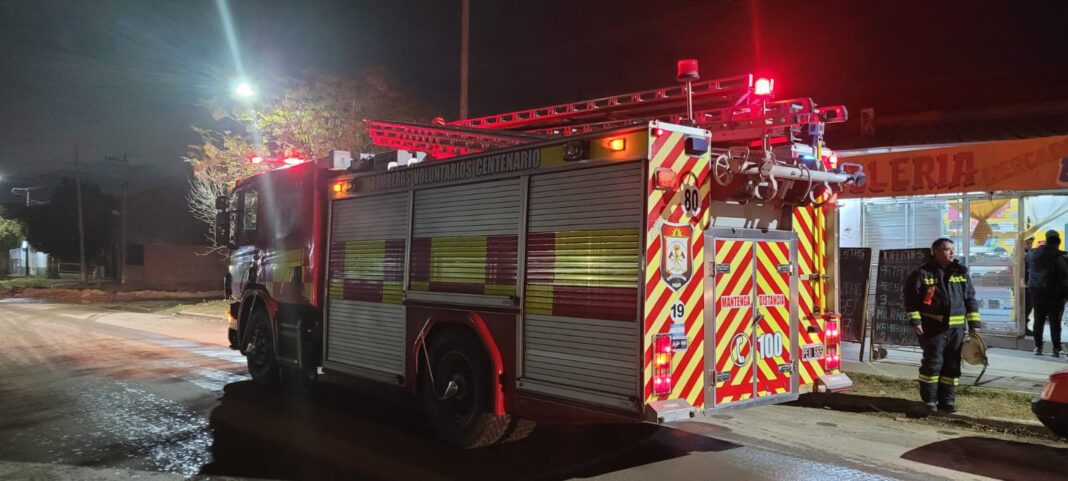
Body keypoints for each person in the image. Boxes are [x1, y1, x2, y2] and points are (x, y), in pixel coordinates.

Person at [904, 238, 981, 414]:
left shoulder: (961, 272)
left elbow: (970, 299)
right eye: (947, 249)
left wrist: (974, 324)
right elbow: (911, 300)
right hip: (933, 329)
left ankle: (947, 400)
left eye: (952, 249)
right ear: (935, 252)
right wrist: (915, 321)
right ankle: (930, 400)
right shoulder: (923, 273)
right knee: (933, 363)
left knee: (952, 365)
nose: (952, 252)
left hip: (956, 330)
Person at [1027, 230, 1068, 357]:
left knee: (1038, 320)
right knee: (1055, 321)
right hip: (1055, 295)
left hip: (1037, 293)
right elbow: (1064, 276)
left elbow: (1027, 258)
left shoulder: (1033, 254)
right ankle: (1056, 348)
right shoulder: (1059, 257)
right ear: (1058, 242)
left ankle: (1038, 347)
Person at [1024, 237, 1035, 336]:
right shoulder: (1020, 255)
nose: (1029, 245)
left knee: (1029, 307)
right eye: (1027, 243)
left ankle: (1025, 327)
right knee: (1026, 307)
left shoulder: (1030, 254)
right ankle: (1024, 327)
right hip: (1023, 285)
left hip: (1029, 285)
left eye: (1031, 243)